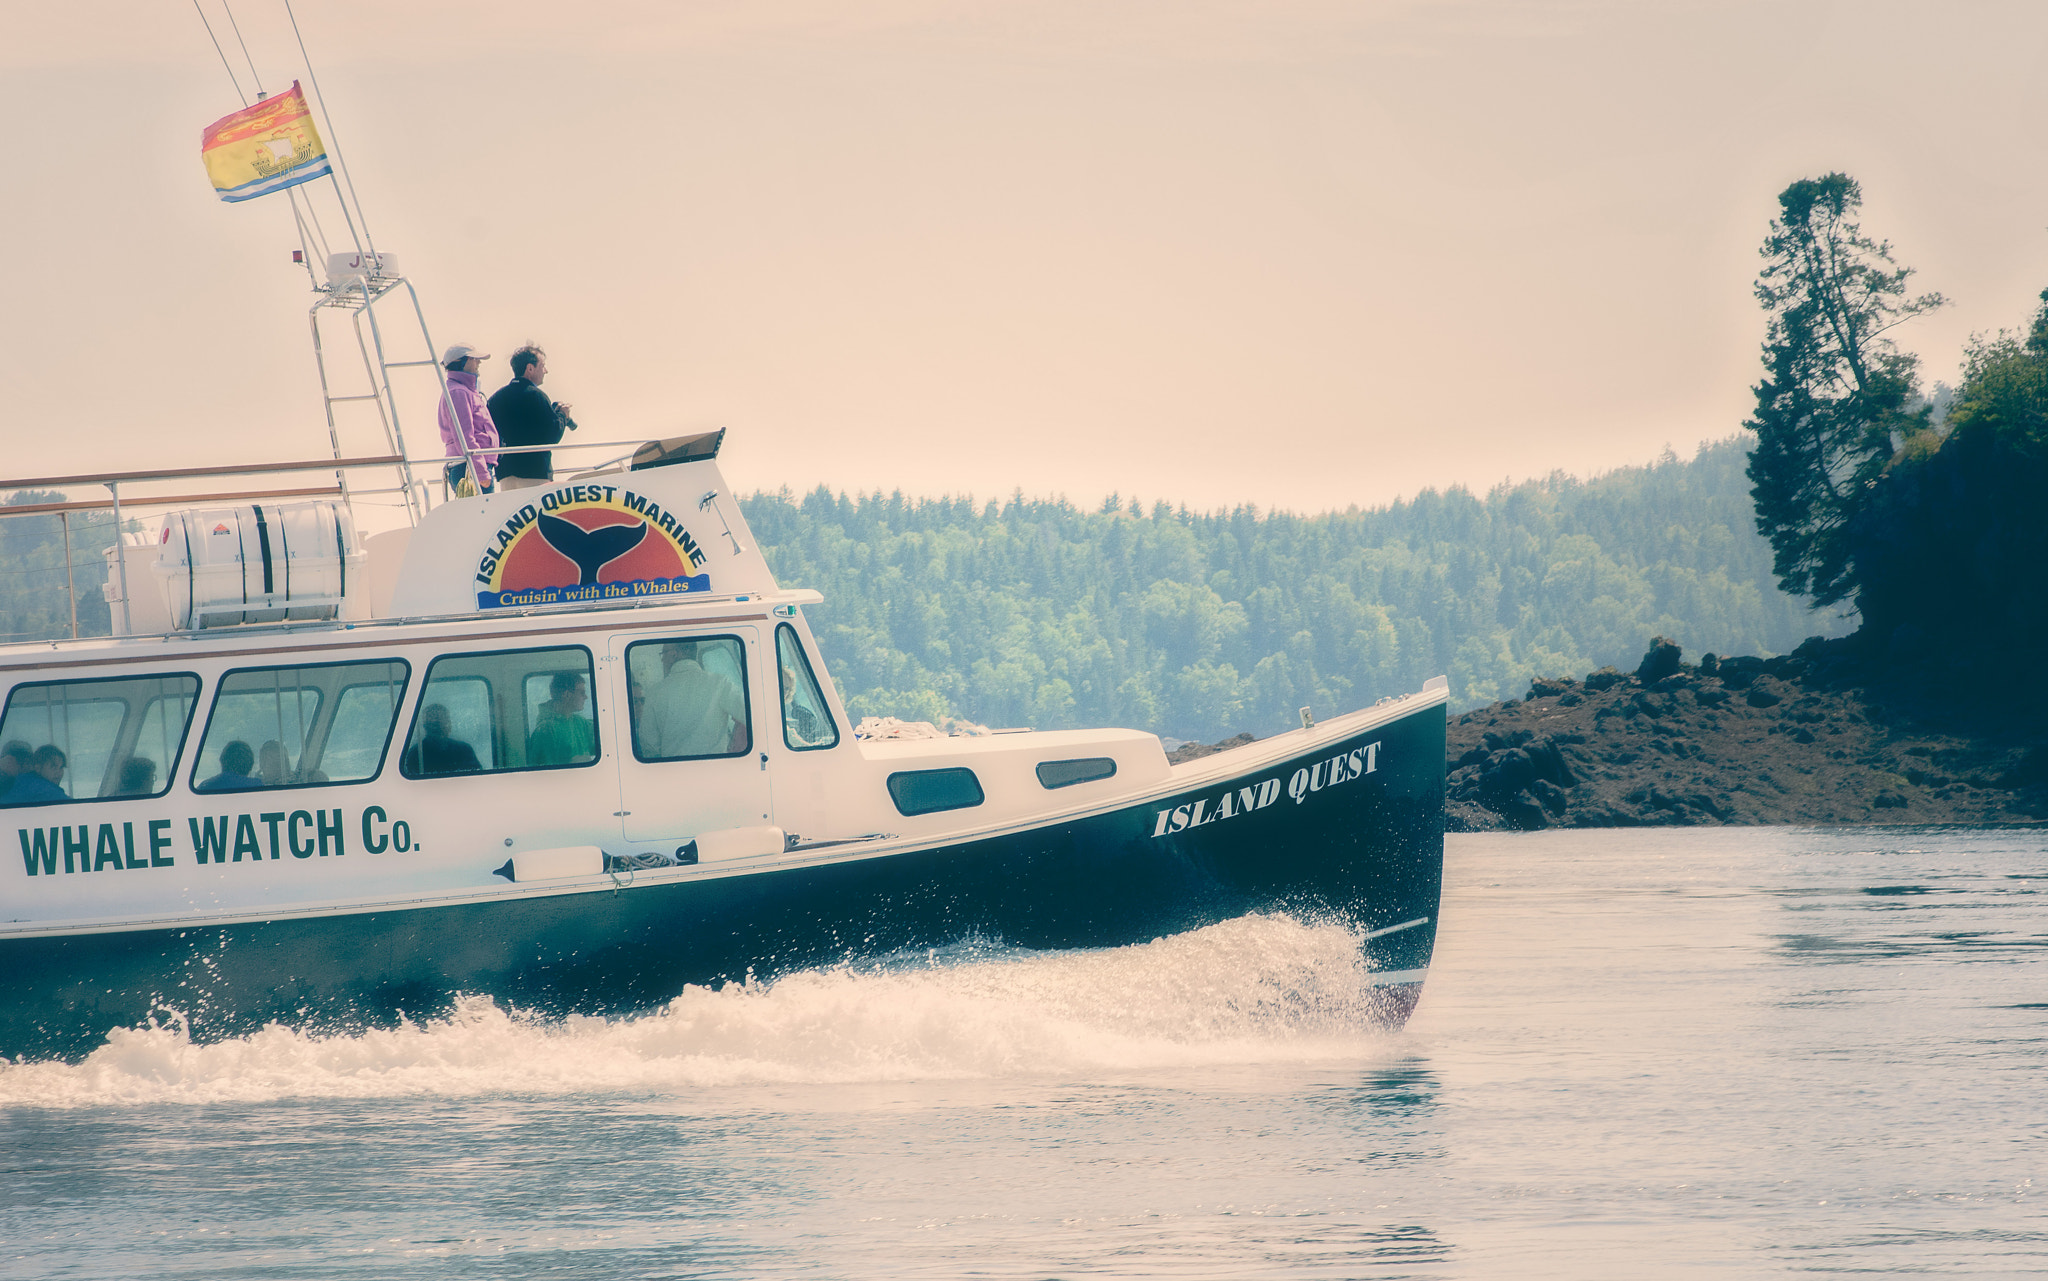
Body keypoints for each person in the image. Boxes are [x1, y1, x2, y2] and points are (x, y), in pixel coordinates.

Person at [487, 344, 576, 491]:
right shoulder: (537, 396)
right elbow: (552, 436)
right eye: (542, 366)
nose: (546, 371)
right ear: (530, 368)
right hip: (535, 475)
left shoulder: (495, 398)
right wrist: (562, 415)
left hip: (506, 476)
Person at [640, 641, 747, 758]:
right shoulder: (720, 682)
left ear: (674, 654)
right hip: (716, 770)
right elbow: (749, 715)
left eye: (663, 654)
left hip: (674, 772)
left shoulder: (655, 693)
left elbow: (649, 744)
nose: (662, 659)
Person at [436, 343, 500, 496]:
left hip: (469, 467)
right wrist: (480, 471)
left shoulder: (461, 390)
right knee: (484, 518)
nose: (479, 362)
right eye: (474, 359)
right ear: (462, 362)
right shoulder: (458, 392)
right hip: (469, 468)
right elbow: (464, 436)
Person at [527, 671, 597, 766]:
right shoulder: (546, 730)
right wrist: (569, 764)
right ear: (566, 694)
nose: (586, 697)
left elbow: (602, 735)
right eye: (582, 692)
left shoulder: (579, 722)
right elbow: (541, 773)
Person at [405, 704, 483, 776]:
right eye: (434, 725)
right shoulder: (416, 754)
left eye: (443, 722)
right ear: (425, 727)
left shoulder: (464, 750)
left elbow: (477, 777)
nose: (439, 728)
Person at [2, 745, 69, 805]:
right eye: (53, 767)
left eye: (61, 767)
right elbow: (71, 806)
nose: (59, 772)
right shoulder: (42, 790)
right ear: (38, 768)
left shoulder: (23, 783)